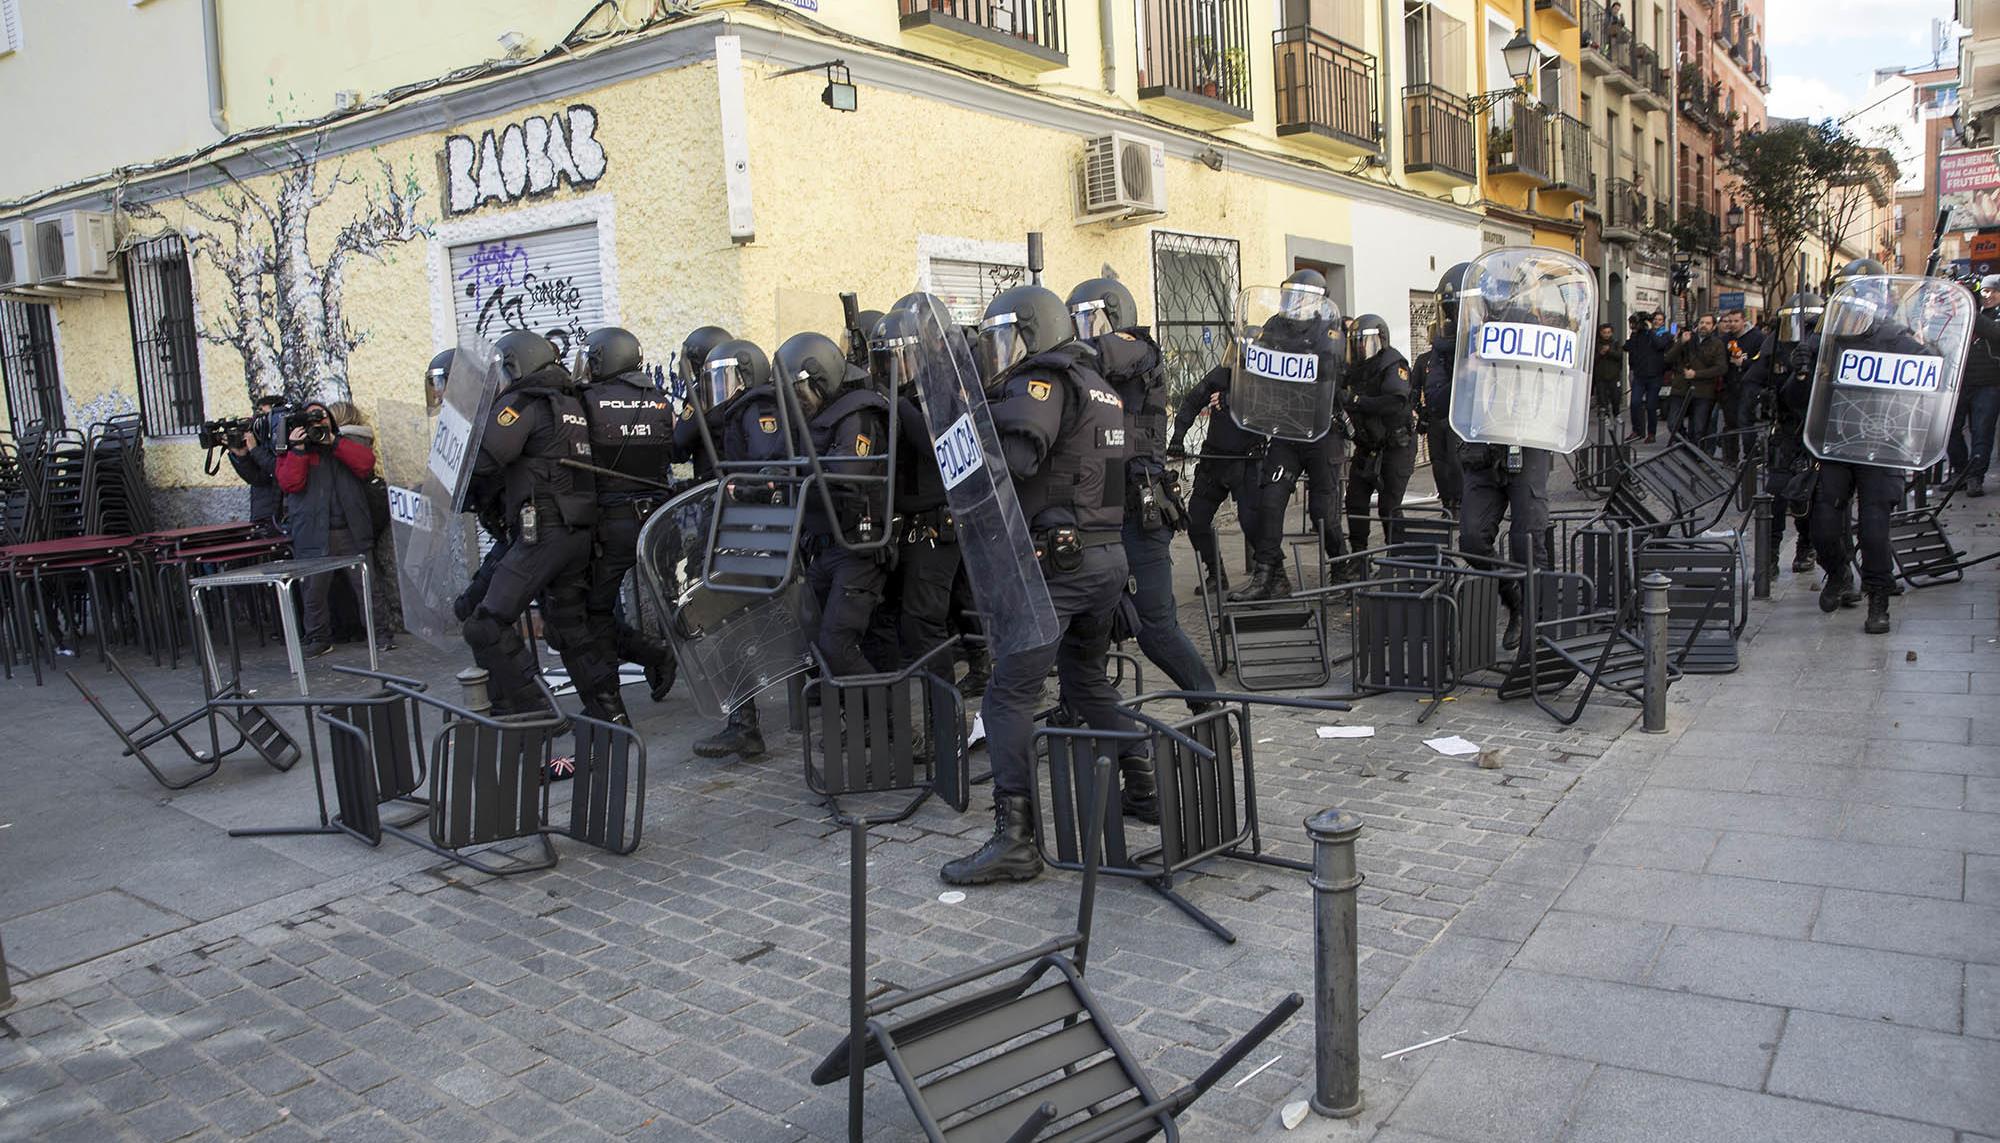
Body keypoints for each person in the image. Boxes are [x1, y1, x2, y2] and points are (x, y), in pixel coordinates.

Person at [942, 285, 1138, 887]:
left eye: (1007, 338)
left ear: (1036, 332)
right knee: (1083, 681)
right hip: (1102, 559)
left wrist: (972, 417)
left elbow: (1023, 454)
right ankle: (1149, 783)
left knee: (1007, 696)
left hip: (1059, 569)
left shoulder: (1044, 381)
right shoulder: (1098, 383)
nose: (1001, 353)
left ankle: (1015, 839)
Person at [1067, 277, 1216, 697]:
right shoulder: (1085, 368)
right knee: (1084, 622)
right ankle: (1082, 709)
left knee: (1156, 628)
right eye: (1076, 322)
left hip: (1139, 508)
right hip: (1095, 507)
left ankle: (1210, 708)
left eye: (1090, 319)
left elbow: (1101, 355)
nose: (1084, 330)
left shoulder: (1138, 349)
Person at [461, 331, 619, 719]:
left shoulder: (522, 402)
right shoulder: (570, 401)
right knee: (568, 627)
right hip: (576, 532)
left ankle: (534, 714)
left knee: (484, 623)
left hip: (541, 535)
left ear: (517, 365)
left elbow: (484, 461)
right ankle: (611, 717)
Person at [1785, 259, 1909, 634]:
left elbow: (1927, 387)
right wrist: (1800, 371)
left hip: (1879, 444)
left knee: (1874, 529)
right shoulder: (1824, 340)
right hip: (1836, 444)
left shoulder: (1896, 337)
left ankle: (1878, 598)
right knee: (1822, 526)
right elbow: (1795, 402)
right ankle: (1838, 574)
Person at [691, 338, 785, 759]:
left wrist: (736, 486)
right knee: (730, 623)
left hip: (759, 532)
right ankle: (743, 724)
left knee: (726, 620)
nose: (720, 388)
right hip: (751, 530)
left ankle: (745, 725)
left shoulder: (759, 408)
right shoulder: (742, 409)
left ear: (747, 375)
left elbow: (766, 470)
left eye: (726, 378)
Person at [577, 326, 678, 715]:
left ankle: (610, 702)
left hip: (611, 522)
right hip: (656, 520)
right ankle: (659, 656)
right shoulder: (658, 400)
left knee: (594, 612)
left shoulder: (586, 401)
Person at [1234, 269, 1347, 601]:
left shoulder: (1329, 330)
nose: (1291, 303)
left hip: (1321, 431)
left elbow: (1330, 368)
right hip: (1285, 428)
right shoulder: (1273, 325)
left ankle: (1342, 567)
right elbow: (1258, 368)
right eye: (1288, 295)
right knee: (1269, 503)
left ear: (1316, 302)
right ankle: (1268, 576)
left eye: (1298, 297)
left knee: (1323, 513)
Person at [785, 330, 892, 677]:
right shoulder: (812, 421)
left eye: (800, 391)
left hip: (858, 546)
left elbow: (847, 473)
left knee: (836, 645)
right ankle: (857, 716)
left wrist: (798, 474)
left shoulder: (858, 415)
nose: (797, 401)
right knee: (810, 638)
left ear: (822, 380)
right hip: (826, 546)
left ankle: (889, 720)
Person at [275, 401, 394, 658]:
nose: (317, 426)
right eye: (311, 422)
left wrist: (334, 443)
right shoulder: (292, 451)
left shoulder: (345, 443)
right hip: (313, 533)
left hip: (350, 529)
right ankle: (318, 638)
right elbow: (290, 483)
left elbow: (365, 464)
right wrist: (298, 450)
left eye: (321, 419)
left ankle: (381, 633)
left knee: (367, 586)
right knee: (313, 591)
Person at [1169, 343, 1265, 597]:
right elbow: (1191, 402)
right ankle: (1216, 574)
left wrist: (1231, 401)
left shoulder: (1265, 383)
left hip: (1247, 462)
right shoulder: (1220, 376)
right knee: (1196, 520)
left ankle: (1268, 574)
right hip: (1215, 461)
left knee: (1251, 521)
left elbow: (1267, 407)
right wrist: (1178, 437)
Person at [1748, 291, 1822, 574]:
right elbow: (1753, 380)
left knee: (1809, 497)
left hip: (1815, 435)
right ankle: (1770, 556)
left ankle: (1806, 544)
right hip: (1786, 433)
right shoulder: (1775, 347)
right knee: (1775, 495)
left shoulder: (1823, 349)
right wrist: (1762, 398)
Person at [1341, 313, 1417, 552]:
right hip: (1368, 445)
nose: (1362, 348)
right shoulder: (1353, 369)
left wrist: (1357, 401)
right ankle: (1359, 555)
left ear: (1381, 340)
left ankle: (1398, 556)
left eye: (1366, 342)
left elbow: (1394, 401)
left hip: (1396, 446)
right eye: (1356, 343)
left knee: (1389, 505)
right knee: (1354, 500)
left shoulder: (1393, 364)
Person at [1422, 263, 1471, 514]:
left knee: (1456, 461)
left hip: (1469, 416)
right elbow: (1432, 393)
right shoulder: (1441, 349)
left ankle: (1462, 503)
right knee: (1442, 463)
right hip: (1443, 415)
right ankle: (1449, 502)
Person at [1947, 275, 2000, 497]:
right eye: (1984, 291)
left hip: (1988, 384)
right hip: (1959, 382)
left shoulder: (1985, 316)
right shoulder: (1964, 313)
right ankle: (1961, 471)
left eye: (1993, 291)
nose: (1987, 295)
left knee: (1982, 431)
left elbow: (1995, 333)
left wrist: (1969, 311)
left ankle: (1975, 477)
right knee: (1950, 429)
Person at [226, 393, 286, 534]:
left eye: (266, 415)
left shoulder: (285, 438)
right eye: (258, 414)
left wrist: (255, 450)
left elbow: (277, 469)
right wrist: (242, 457)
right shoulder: (258, 436)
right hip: (263, 512)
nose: (261, 420)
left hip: (281, 511)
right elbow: (257, 478)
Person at [1665, 313, 1726, 449]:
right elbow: (1668, 358)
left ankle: (1695, 455)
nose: (1703, 326)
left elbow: (1721, 368)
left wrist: (1697, 374)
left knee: (1698, 428)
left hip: (1703, 391)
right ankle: (1685, 443)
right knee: (1673, 423)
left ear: (1713, 326)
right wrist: (1680, 343)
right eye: (1701, 323)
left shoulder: (1717, 344)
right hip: (1681, 389)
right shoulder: (1687, 339)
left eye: (1707, 323)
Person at [1625, 311, 1671, 442]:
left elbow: (1659, 345)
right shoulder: (1641, 334)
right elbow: (1628, 347)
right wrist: (1635, 331)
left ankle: (1652, 433)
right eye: (1655, 319)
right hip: (1640, 375)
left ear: (1663, 322)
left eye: (1659, 320)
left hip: (1655, 376)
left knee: (1651, 405)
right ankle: (1637, 430)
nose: (1656, 322)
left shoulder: (1665, 335)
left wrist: (1651, 331)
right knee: (1634, 403)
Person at [1591, 322, 1624, 427]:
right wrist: (1600, 353)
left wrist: (1609, 351)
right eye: (1604, 332)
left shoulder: (1615, 343)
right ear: (1601, 333)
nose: (1606, 335)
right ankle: (1605, 416)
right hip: (1601, 376)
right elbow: (1592, 360)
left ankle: (1616, 414)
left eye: (1608, 332)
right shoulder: (1596, 344)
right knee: (1602, 398)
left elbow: (1619, 356)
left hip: (1614, 376)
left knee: (1616, 397)